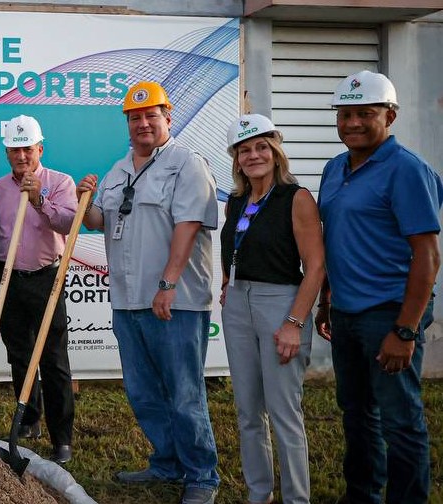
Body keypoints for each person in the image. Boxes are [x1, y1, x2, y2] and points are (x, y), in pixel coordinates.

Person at [77, 81, 220, 504]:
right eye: (135, 117)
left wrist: (168, 283)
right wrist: (84, 202)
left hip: (173, 302)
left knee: (183, 391)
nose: (142, 123)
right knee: (143, 392)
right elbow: (98, 221)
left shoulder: (186, 164)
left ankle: (201, 475)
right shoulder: (117, 170)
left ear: (168, 118)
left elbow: (188, 226)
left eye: (150, 116)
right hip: (127, 301)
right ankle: (167, 462)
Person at [316, 70, 441, 504]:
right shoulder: (335, 168)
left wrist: (405, 330)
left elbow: (427, 255)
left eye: (364, 113)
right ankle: (362, 495)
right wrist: (326, 299)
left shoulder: (407, 170)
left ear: (390, 115)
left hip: (389, 312)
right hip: (347, 313)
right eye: (344, 114)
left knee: (400, 419)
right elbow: (336, 237)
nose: (352, 122)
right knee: (356, 414)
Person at [219, 114, 324, 504]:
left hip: (281, 303)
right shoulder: (235, 200)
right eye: (245, 150)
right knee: (248, 411)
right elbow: (234, 245)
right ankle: (258, 495)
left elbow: (315, 266)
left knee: (284, 414)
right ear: (237, 159)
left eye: (261, 146)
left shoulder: (296, 198)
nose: (254, 155)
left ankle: (297, 499)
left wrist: (294, 323)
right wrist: (228, 281)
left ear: (276, 151)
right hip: (239, 306)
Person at [0, 115, 76, 463]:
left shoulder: (60, 182)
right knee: (19, 355)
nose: (21, 156)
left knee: (53, 358)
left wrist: (38, 200)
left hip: (45, 278)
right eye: (14, 150)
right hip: (10, 279)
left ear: (40, 149)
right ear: (6, 152)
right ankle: (30, 419)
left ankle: (61, 435)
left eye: (27, 149)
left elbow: (68, 222)